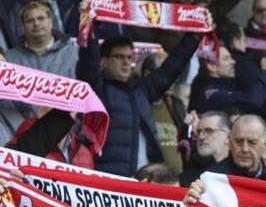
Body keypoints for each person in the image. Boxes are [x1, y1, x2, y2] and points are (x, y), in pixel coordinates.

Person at [76, 32, 201, 178]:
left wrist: (194, 37)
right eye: (119, 57)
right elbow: (88, 64)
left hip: (144, 180)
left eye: (129, 57)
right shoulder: (97, 91)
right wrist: (90, 29)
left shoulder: (140, 90)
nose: (126, 62)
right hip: (109, 180)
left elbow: (170, 69)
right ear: (103, 62)